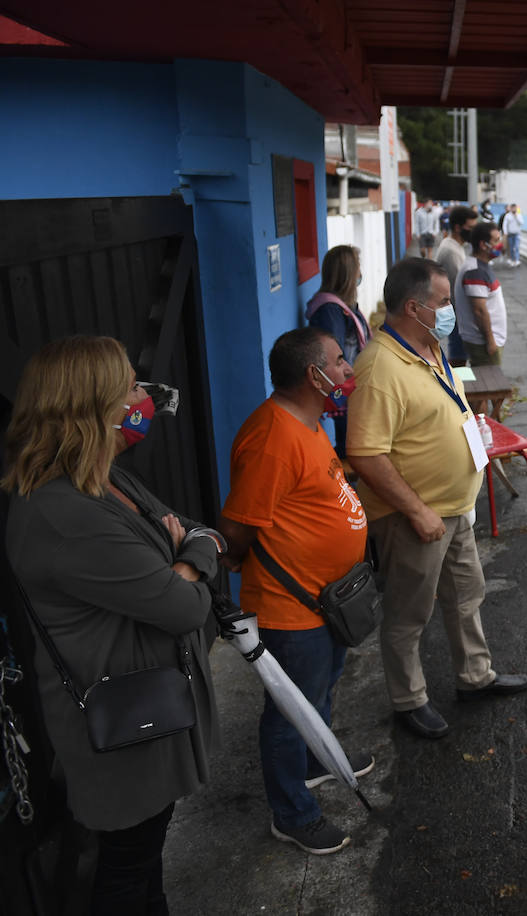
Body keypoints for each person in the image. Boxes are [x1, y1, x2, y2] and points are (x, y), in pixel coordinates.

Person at [4, 336, 222, 913]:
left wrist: (187, 558)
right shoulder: (62, 514)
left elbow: (199, 532)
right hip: (126, 734)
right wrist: (188, 560)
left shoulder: (105, 479)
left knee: (143, 863)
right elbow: (185, 607)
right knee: (127, 875)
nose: (142, 396)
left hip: (150, 716)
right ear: (91, 405)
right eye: (128, 386)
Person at [347, 258, 527, 740]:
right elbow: (365, 454)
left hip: (453, 509)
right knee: (409, 615)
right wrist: (417, 510)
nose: (451, 310)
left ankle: (475, 676)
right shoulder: (380, 368)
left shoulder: (429, 346)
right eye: (444, 302)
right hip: (416, 518)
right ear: (413, 306)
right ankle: (409, 701)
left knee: (466, 596)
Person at [218, 327, 373, 856]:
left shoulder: (308, 421)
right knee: (290, 715)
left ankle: (316, 761)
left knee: (322, 689)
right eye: (338, 361)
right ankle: (292, 813)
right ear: (315, 375)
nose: (348, 369)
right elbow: (238, 525)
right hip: (292, 607)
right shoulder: (271, 437)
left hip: (327, 599)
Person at [306, 245, 372, 459]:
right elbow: (334, 356)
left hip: (352, 390)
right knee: (351, 451)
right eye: (358, 268)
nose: (361, 273)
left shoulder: (343, 306)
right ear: (348, 274)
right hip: (344, 392)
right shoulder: (330, 311)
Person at [453, 221, 508, 417]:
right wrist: (491, 340)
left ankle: (489, 422)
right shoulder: (474, 270)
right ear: (484, 245)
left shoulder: (480, 266)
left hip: (486, 339)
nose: (500, 243)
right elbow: (479, 310)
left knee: (486, 384)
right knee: (486, 386)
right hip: (484, 341)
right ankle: (484, 425)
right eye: (496, 240)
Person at [437, 205, 479, 367]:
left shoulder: (454, 245)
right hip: (456, 313)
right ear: (457, 227)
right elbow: (457, 291)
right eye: (471, 227)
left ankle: (460, 387)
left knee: (459, 354)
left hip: (456, 313)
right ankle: (458, 389)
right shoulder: (451, 251)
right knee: (458, 358)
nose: (474, 232)